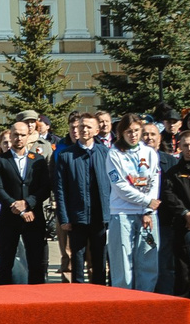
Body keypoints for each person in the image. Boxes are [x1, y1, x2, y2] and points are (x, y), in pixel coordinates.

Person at [0, 117, 52, 285]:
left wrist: (28, 204)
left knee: (35, 263)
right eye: (15, 135)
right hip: (9, 217)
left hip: (33, 217)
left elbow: (45, 188)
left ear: (28, 136)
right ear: (11, 135)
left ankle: (36, 300)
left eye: (22, 135)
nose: (19, 138)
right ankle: (4, 302)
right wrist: (16, 206)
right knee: (5, 263)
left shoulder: (37, 160)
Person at [102, 115, 161, 291]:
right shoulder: (114, 154)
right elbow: (120, 186)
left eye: (136, 131)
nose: (133, 135)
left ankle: (146, 299)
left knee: (147, 260)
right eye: (128, 131)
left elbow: (154, 181)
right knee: (122, 263)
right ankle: (124, 299)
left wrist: (148, 210)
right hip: (122, 212)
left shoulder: (149, 153)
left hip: (147, 214)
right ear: (121, 133)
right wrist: (147, 201)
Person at [52, 113, 108, 282]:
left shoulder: (106, 154)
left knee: (99, 260)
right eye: (81, 126)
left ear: (97, 130)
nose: (84, 129)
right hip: (77, 217)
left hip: (100, 216)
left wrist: (110, 215)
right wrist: (64, 217)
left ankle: (99, 297)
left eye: (88, 126)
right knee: (77, 260)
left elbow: (112, 186)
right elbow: (60, 190)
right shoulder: (66, 155)